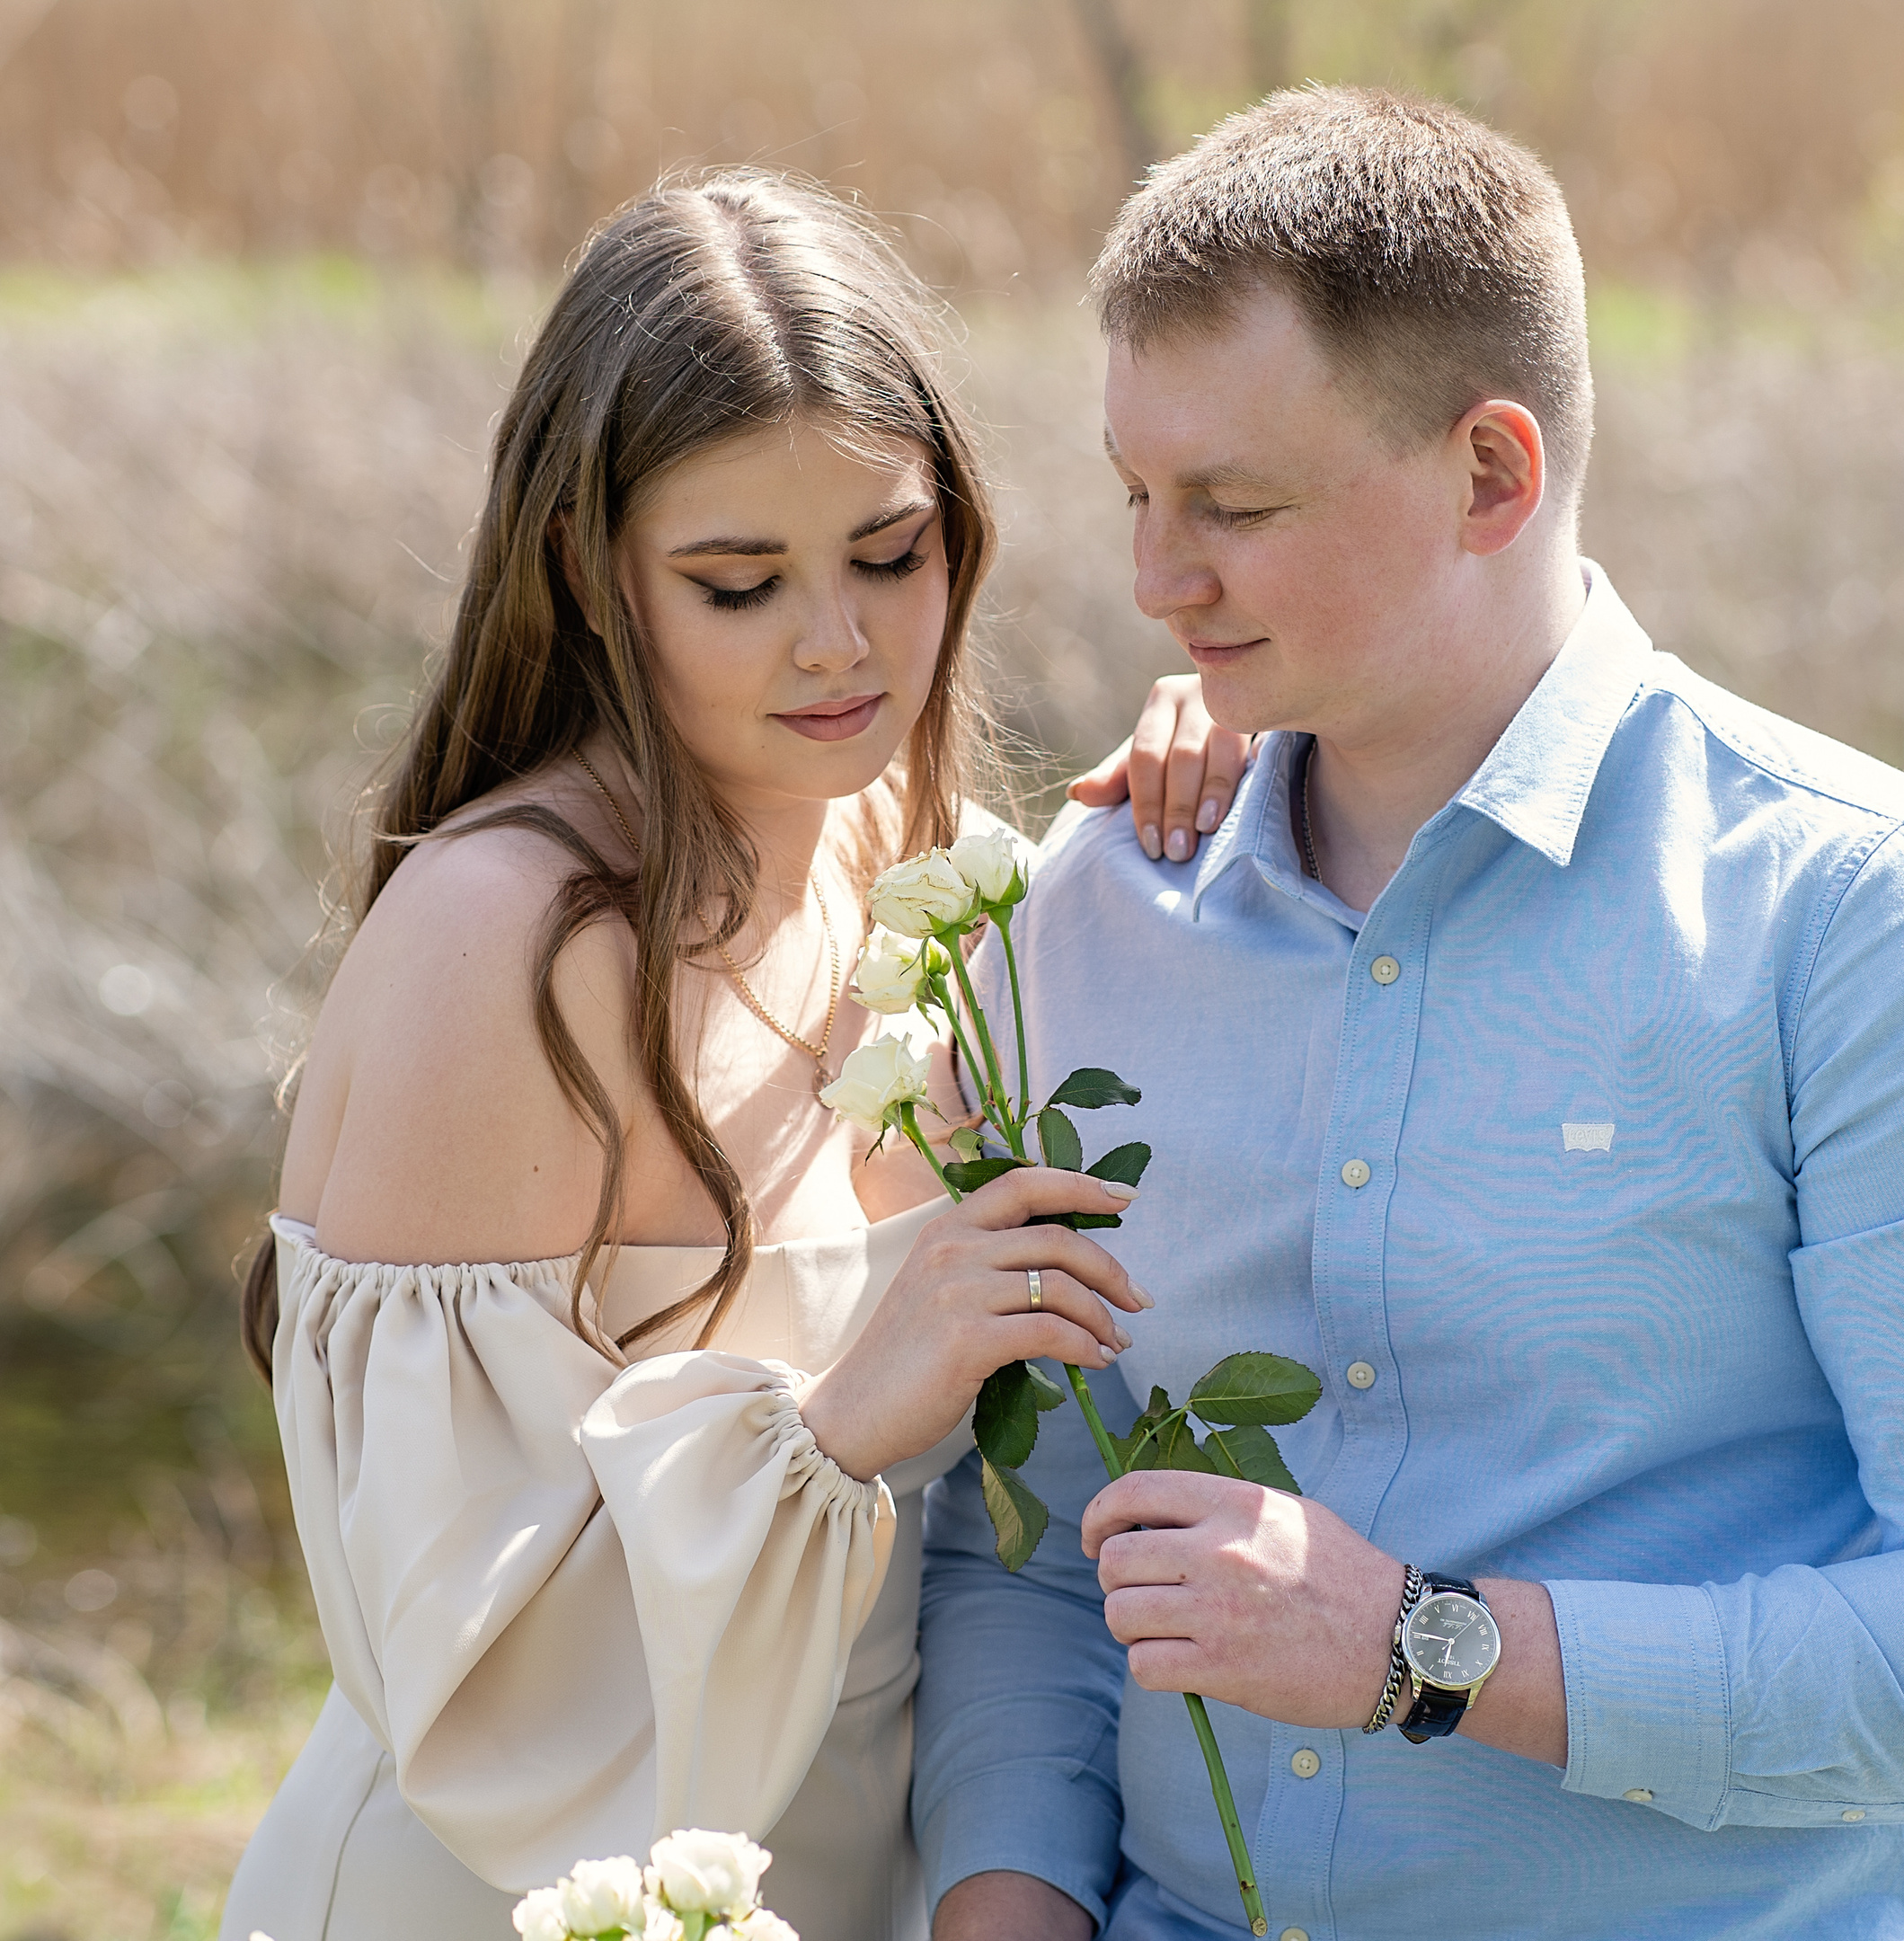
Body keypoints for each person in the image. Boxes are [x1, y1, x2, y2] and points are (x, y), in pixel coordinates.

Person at [915, 87, 1904, 1941]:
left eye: (1231, 507)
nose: (1149, 581)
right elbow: (1039, 1538)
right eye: (1132, 494)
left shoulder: (1871, 926)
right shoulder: (1094, 921)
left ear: (1490, 475)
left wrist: (1424, 1649)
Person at [219, 170, 1248, 1941]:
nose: (836, 642)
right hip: (515, 1898)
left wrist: (1230, 764)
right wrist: (841, 1423)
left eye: (888, 553)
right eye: (736, 583)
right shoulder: (514, 943)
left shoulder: (904, 863)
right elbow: (465, 1663)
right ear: (586, 571)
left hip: (841, 1883)